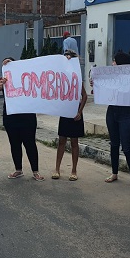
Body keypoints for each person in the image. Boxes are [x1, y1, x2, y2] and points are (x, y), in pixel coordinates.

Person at [0, 57, 43, 181]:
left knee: (30, 144)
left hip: (27, 117)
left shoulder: (27, 79)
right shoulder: (5, 81)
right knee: (14, 144)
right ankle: (18, 169)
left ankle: (35, 171)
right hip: (10, 117)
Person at [102, 52, 130, 187]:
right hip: (111, 112)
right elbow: (102, 88)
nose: (112, 63)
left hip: (125, 115)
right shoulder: (110, 77)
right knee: (114, 144)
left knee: (126, 146)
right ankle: (114, 173)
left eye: (114, 61)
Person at [53, 51, 88, 181]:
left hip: (75, 113)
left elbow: (84, 96)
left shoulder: (77, 77)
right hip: (65, 112)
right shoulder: (60, 76)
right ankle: (56, 169)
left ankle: (74, 170)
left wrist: (80, 111)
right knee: (61, 140)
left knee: (74, 142)